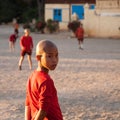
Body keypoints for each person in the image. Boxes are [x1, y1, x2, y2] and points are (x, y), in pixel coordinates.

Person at [25, 40, 63, 120]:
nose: (54, 60)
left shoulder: (31, 77)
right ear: (38, 57)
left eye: (56, 55)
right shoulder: (46, 81)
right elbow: (43, 110)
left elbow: (27, 104)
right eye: (49, 56)